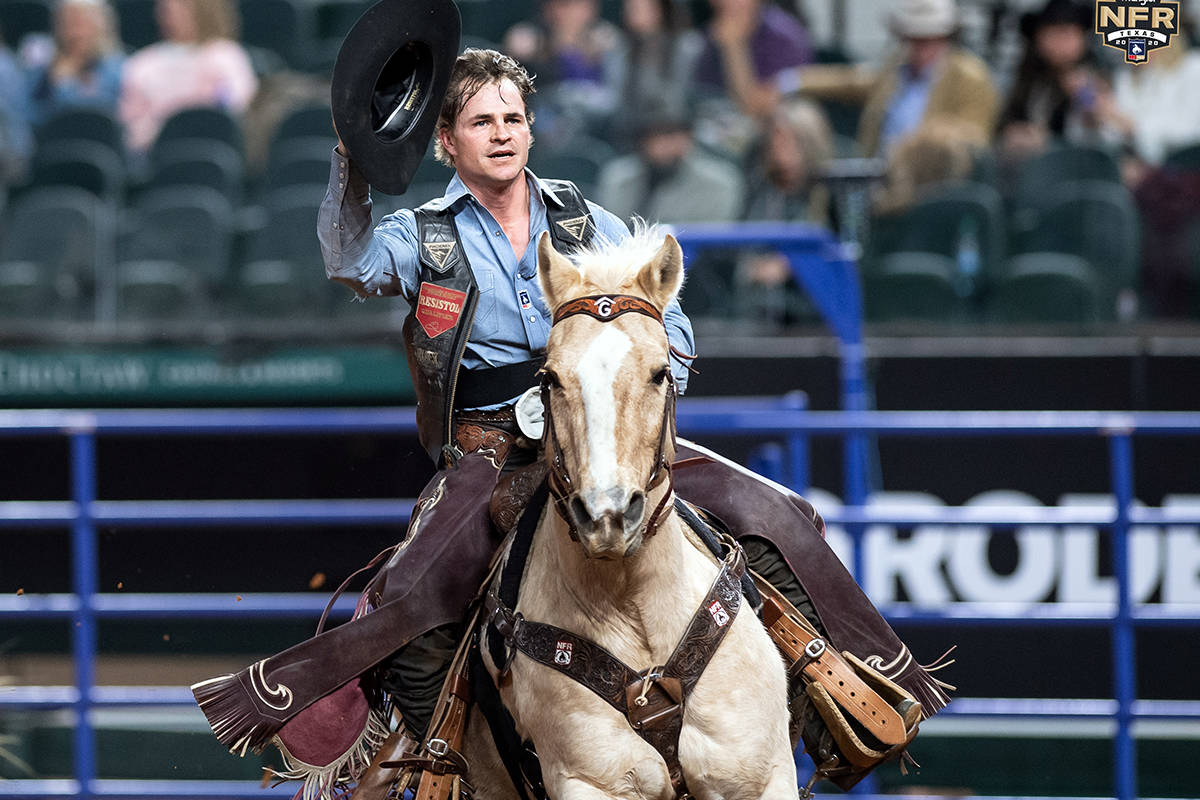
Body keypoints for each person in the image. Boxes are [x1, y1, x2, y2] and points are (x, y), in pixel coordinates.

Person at [193, 47, 951, 800]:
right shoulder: (424, 237)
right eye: (481, 120)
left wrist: (649, 369)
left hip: (612, 431)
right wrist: (352, 159)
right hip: (492, 453)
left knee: (775, 513)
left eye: (514, 118)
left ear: (531, 131)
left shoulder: (588, 220)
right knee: (413, 596)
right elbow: (350, 261)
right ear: (446, 141)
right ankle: (442, 763)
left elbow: (668, 315)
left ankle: (845, 697)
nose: (502, 133)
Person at [784, 0, 998, 159]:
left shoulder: (970, 78)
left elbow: (975, 137)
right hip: (880, 170)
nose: (920, 49)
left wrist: (921, 143)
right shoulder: (895, 70)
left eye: (929, 40)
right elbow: (852, 81)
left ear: (945, 38)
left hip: (934, 177)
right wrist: (792, 81)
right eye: (914, 39)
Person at [118, 0, 257, 154]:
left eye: (183, 7)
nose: (174, 14)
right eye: (168, 8)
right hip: (156, 152)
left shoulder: (226, 55)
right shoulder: (142, 64)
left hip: (212, 146)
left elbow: (234, 104)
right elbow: (131, 122)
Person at [691, 0, 814, 158]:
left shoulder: (786, 37)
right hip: (713, 144)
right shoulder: (701, 42)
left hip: (778, 143)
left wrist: (734, 48)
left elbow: (756, 109)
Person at [996, 0, 1109, 159]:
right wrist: (1015, 132)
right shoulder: (1029, 76)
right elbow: (1008, 118)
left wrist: (1084, 97)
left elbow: (1100, 131)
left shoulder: (1093, 76)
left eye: (1067, 34)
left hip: (1075, 164)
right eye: (1052, 33)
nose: (1060, 42)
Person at [595, 110, 745, 224]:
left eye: (673, 136)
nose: (666, 146)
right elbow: (609, 232)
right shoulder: (619, 177)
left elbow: (715, 243)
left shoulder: (718, 181)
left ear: (689, 138)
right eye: (657, 137)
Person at [605, 0, 704, 150]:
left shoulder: (688, 47)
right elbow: (617, 103)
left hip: (680, 136)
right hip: (632, 137)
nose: (634, 12)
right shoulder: (619, 51)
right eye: (630, 7)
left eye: (643, 6)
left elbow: (688, 99)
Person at [24, 0, 125, 127]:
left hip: (100, 141)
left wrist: (65, 85)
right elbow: (29, 115)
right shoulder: (42, 67)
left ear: (102, 25)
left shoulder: (116, 67)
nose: (74, 32)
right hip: (53, 140)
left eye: (82, 22)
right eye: (67, 22)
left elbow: (91, 116)